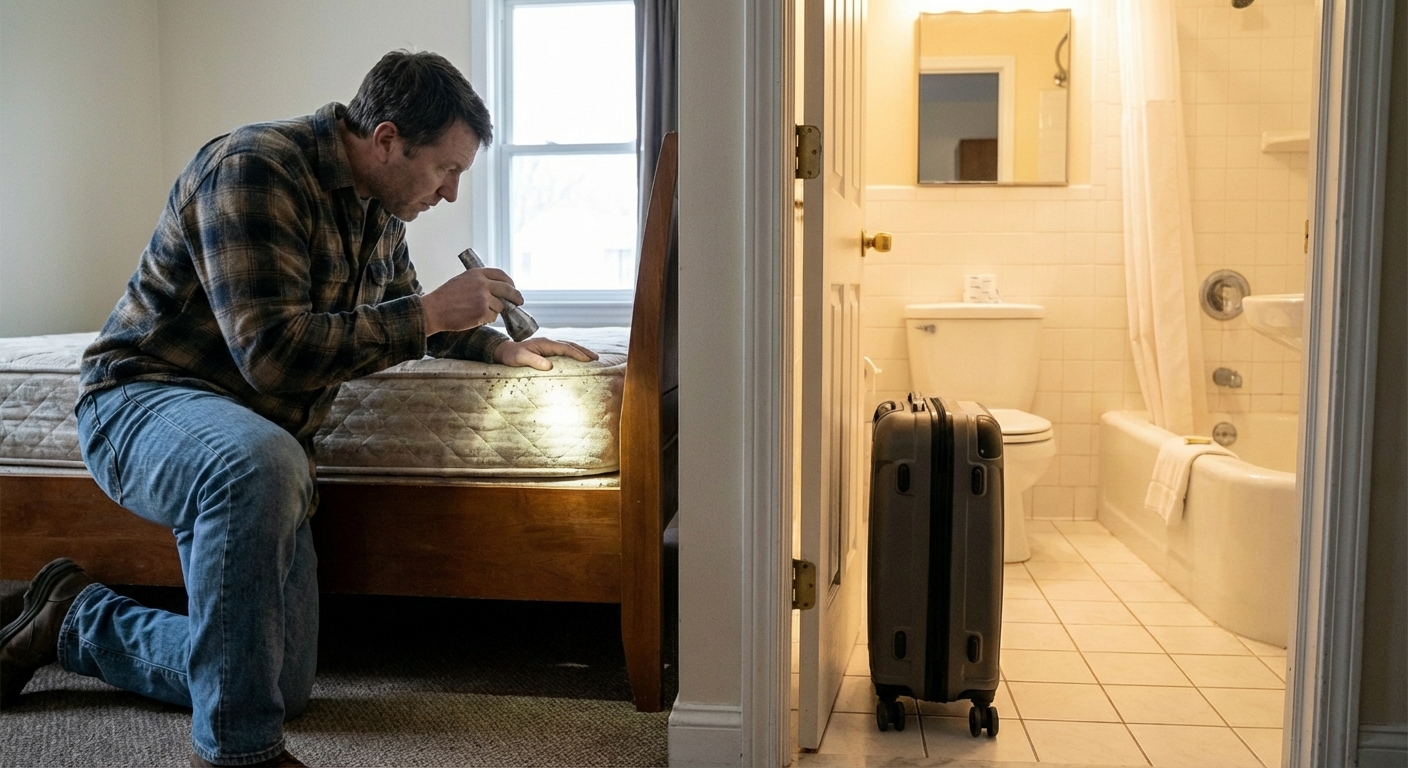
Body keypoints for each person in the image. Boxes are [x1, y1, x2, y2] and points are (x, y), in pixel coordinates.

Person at [0, 50, 595, 767]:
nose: (450, 193)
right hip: (142, 400)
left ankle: (73, 618)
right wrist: (431, 311)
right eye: (446, 170)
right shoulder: (255, 169)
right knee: (257, 463)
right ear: (386, 139)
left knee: (277, 682)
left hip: (256, 440)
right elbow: (272, 354)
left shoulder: (382, 214)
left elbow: (404, 317)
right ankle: (241, 753)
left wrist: (495, 344)